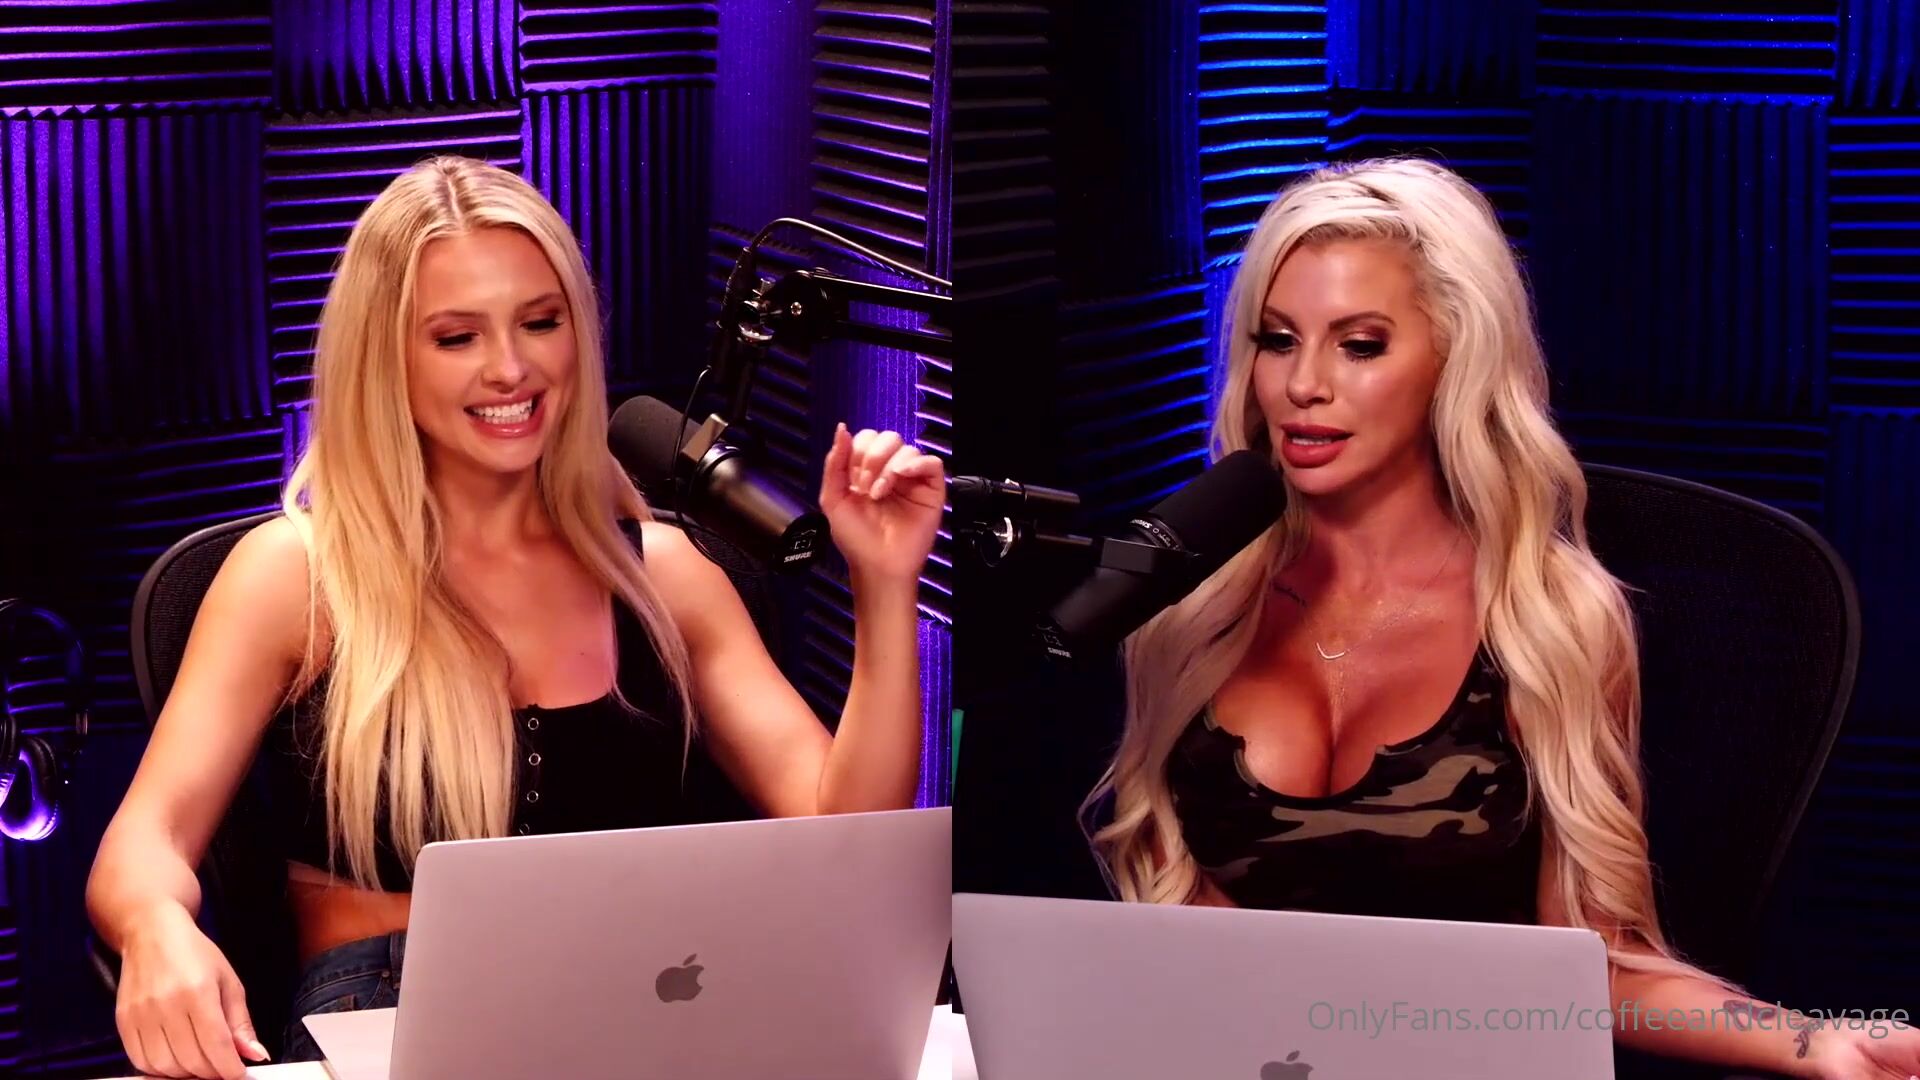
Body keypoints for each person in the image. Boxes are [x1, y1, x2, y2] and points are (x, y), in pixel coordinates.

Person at [85, 155, 944, 1080]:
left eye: (541, 322)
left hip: (644, 1005)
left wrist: (882, 582)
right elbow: (146, 841)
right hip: (390, 1007)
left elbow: (847, 835)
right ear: (385, 357)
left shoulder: (662, 576)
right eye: (457, 337)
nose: (511, 367)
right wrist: (154, 924)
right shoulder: (297, 575)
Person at [1083, 158, 1918, 1080]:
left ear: (1456, 358)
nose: (1302, 384)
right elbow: (1184, 939)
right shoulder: (1195, 608)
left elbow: (1598, 966)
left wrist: (1811, 1041)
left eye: (1360, 345)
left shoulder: (1547, 624)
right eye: (1278, 340)